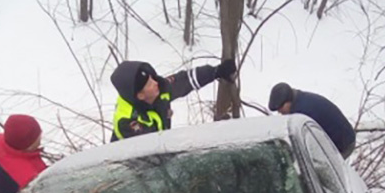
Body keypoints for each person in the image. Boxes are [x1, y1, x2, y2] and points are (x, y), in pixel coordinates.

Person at [109, 58, 237, 141]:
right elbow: (153, 150)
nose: (155, 83)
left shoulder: (158, 90)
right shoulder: (126, 122)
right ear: (140, 95)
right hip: (128, 176)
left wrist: (216, 72)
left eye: (152, 78)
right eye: (149, 83)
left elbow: (185, 80)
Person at [268, 82, 356, 158]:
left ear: (288, 101)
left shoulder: (303, 112)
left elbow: (307, 142)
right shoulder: (299, 99)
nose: (279, 112)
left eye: (280, 108)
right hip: (337, 136)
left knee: (321, 171)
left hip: (343, 143)